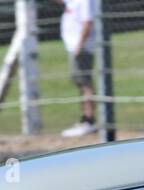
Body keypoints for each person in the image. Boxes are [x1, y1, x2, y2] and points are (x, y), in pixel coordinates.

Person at [59, 0, 98, 137]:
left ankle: (89, 120)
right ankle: (85, 119)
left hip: (81, 48)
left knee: (85, 83)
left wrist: (80, 45)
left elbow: (88, 22)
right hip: (74, 46)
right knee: (80, 83)